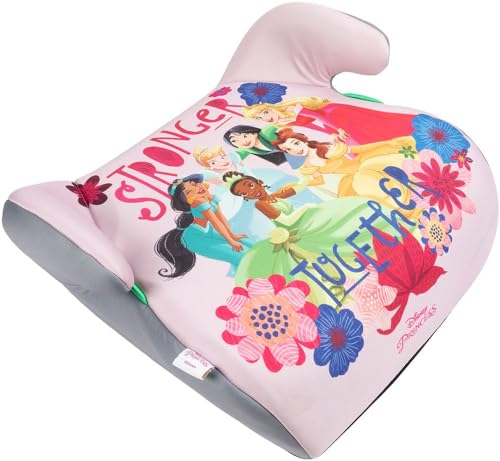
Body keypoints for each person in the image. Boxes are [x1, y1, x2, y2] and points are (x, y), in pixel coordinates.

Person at [223, 171, 410, 305]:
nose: (250, 192)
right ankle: (347, 292)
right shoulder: (261, 205)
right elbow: (286, 221)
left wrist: (308, 178)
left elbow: (297, 188)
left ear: (258, 181)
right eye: (244, 193)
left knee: (345, 232)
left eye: (249, 186)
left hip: (305, 226)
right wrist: (305, 209)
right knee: (324, 262)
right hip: (295, 235)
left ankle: (387, 255)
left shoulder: (275, 195)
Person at [271, 128, 418, 214]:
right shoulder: (307, 166)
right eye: (288, 149)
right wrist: (295, 185)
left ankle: (412, 196)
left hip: (362, 165)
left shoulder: (325, 149)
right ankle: (397, 213)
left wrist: (389, 144)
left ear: (303, 140)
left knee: (382, 179)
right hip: (350, 179)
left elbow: (359, 149)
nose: (295, 150)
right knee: (351, 205)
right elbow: (319, 180)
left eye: (295, 143)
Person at [155, 174, 252, 278]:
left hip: (207, 231)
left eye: (195, 184)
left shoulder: (210, 198)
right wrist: (230, 241)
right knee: (240, 255)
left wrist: (232, 235)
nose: (197, 188)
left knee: (247, 243)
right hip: (194, 239)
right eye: (189, 192)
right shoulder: (199, 202)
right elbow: (215, 222)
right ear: (187, 200)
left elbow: (221, 218)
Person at [243, 97, 415, 142]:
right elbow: (314, 126)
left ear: (269, 108)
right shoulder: (281, 122)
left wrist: (336, 128)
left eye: (264, 113)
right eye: (259, 118)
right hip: (328, 122)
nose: (265, 118)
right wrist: (332, 133)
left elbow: (317, 116)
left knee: (360, 131)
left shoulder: (289, 109)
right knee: (346, 141)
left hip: (333, 114)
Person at [223, 125, 292, 166]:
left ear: (254, 133)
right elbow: (234, 157)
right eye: (234, 141)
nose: (243, 141)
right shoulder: (246, 149)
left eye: (245, 136)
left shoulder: (266, 132)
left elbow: (276, 124)